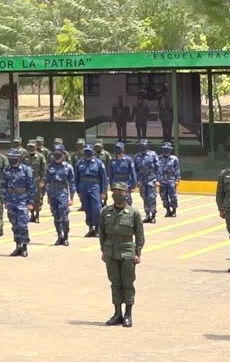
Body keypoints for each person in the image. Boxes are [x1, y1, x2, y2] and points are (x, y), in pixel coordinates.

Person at [98, 181, 144, 328]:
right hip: (111, 251)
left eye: (120, 191)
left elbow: (140, 235)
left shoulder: (133, 213)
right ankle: (117, 313)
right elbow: (102, 233)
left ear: (126, 194)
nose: (117, 194)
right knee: (115, 283)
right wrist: (103, 251)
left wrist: (138, 253)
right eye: (115, 191)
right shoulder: (105, 211)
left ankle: (128, 314)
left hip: (127, 250)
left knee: (128, 283)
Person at [0, 148, 34, 257]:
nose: (12, 159)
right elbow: (3, 186)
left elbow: (31, 186)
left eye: (14, 157)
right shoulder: (6, 170)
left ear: (19, 158)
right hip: (11, 201)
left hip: (23, 201)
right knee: (14, 225)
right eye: (10, 157)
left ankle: (24, 246)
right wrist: (5, 200)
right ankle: (18, 245)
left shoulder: (26, 170)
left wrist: (31, 202)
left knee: (22, 225)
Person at [46, 145, 76, 246]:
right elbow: (48, 182)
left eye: (59, 151)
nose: (56, 153)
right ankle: (59, 236)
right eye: (55, 151)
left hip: (63, 193)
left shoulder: (68, 167)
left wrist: (71, 198)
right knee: (56, 216)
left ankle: (66, 236)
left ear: (63, 154)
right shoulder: (50, 167)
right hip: (53, 193)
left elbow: (72, 182)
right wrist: (48, 196)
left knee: (64, 216)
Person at [76, 145, 108, 237]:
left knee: (97, 208)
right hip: (83, 187)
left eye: (89, 151)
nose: (87, 153)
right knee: (87, 208)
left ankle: (97, 228)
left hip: (95, 186)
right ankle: (90, 227)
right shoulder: (79, 163)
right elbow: (76, 177)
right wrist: (78, 190)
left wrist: (103, 192)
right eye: (86, 151)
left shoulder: (98, 163)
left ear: (93, 152)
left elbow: (103, 178)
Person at [132, 139, 160, 223]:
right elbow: (135, 169)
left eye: (144, 146)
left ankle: (153, 215)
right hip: (142, 180)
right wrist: (137, 180)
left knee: (152, 197)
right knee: (144, 197)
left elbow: (158, 168)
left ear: (147, 146)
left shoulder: (153, 155)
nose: (142, 147)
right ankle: (147, 214)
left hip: (151, 179)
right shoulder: (137, 156)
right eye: (141, 146)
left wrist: (157, 180)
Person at [158, 142, 180, 217]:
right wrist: (157, 180)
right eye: (164, 149)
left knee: (173, 196)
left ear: (170, 150)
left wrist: (177, 180)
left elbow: (177, 170)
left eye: (167, 149)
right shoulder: (159, 158)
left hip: (171, 179)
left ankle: (174, 210)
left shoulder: (174, 159)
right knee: (163, 196)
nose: (166, 150)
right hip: (162, 180)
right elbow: (156, 170)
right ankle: (168, 210)